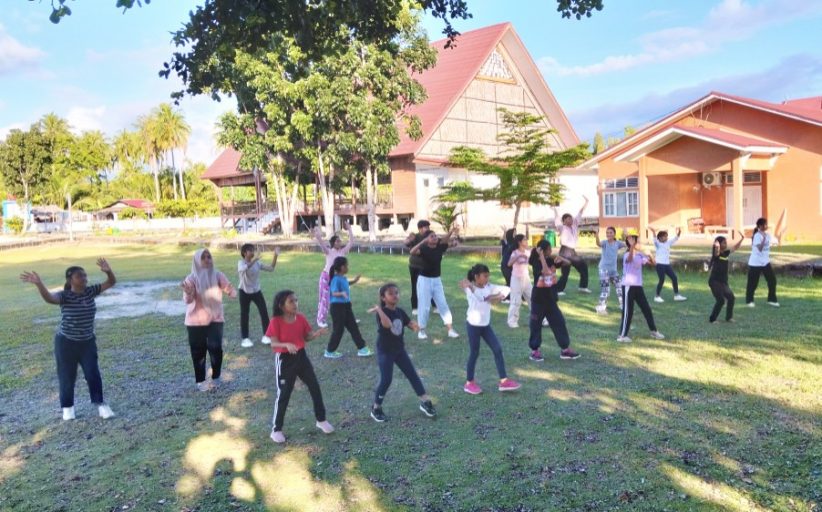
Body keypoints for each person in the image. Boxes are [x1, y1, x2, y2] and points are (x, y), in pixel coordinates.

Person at [20, 259, 117, 421]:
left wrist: (108, 271)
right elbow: (49, 298)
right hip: (66, 343)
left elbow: (111, 282)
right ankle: (68, 408)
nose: (84, 279)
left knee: (93, 373)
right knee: (67, 376)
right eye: (80, 276)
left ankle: (101, 405)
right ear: (70, 280)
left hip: (87, 342)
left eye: (85, 276)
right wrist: (39, 284)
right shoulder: (65, 296)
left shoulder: (90, 291)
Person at [266, 290, 334, 443]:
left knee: (315, 387)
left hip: (301, 357)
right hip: (285, 360)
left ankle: (321, 420)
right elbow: (273, 343)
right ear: (281, 305)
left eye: (296, 300)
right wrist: (286, 344)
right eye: (291, 301)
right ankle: (276, 430)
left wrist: (317, 334)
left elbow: (306, 336)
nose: (295, 303)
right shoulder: (276, 321)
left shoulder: (301, 318)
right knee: (284, 394)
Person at [367, 283, 436, 422]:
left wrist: (416, 326)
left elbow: (409, 323)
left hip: (399, 350)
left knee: (412, 375)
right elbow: (387, 324)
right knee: (386, 380)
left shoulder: (400, 311)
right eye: (391, 293)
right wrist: (379, 310)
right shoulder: (383, 313)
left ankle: (425, 401)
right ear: (383, 297)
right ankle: (376, 408)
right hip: (385, 351)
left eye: (396, 293)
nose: (395, 295)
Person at [460, 264, 521, 395]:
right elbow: (480, 297)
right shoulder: (470, 289)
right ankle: (469, 383)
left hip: (485, 326)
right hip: (473, 326)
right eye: (485, 276)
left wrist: (497, 297)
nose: (487, 279)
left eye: (488, 276)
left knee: (497, 349)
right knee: (474, 353)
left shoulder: (489, 287)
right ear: (476, 277)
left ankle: (504, 381)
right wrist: (493, 297)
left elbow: (506, 289)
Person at [181, 249, 237, 391]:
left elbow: (228, 288)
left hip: (215, 319)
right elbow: (188, 300)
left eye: (209, 257)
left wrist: (232, 292)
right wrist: (189, 293)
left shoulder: (218, 275)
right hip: (195, 321)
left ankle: (216, 378)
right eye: (203, 257)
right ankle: (200, 381)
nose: (207, 259)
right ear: (197, 261)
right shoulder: (191, 279)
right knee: (198, 351)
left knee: (215, 348)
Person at [527, 239, 580, 361]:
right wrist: (540, 257)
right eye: (549, 249)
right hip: (538, 300)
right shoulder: (536, 262)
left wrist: (559, 257)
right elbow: (545, 272)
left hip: (551, 299)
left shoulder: (550, 260)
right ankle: (534, 351)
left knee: (559, 322)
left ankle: (565, 350)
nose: (551, 250)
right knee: (535, 325)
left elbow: (567, 263)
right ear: (543, 250)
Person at [409, 228, 460, 340]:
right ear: (427, 239)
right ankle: (421, 331)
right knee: (424, 306)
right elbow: (412, 251)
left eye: (435, 236)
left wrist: (451, 232)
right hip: (424, 280)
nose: (435, 237)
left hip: (436, 280)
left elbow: (446, 241)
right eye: (432, 236)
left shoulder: (439, 247)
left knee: (443, 304)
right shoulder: (423, 248)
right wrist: (423, 241)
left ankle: (450, 330)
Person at [618, 234, 665, 342]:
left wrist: (650, 255)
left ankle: (653, 331)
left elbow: (654, 264)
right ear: (630, 244)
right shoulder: (626, 254)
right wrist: (631, 247)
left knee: (646, 309)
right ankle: (622, 336)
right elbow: (629, 259)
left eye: (637, 241)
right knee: (628, 311)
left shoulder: (640, 255)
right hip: (628, 286)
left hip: (638, 286)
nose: (637, 244)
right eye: (635, 242)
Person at [324, 256, 373, 358]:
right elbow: (334, 292)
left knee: (353, 327)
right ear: (342, 267)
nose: (348, 267)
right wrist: (342, 293)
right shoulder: (335, 279)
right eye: (347, 265)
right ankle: (329, 351)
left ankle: (362, 349)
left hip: (346, 306)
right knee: (339, 330)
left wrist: (354, 281)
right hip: (337, 308)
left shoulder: (342, 278)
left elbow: (346, 283)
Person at [313, 221, 355, 327]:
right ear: (333, 243)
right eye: (337, 241)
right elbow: (322, 244)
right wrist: (318, 236)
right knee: (325, 299)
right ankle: (320, 320)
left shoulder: (342, 252)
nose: (340, 242)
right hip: (326, 277)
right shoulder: (329, 251)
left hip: (337, 278)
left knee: (344, 297)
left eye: (340, 240)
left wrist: (349, 229)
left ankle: (348, 317)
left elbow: (351, 242)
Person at [237, 244, 279, 347]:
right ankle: (245, 338)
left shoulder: (257, 263)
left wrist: (275, 255)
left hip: (256, 291)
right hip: (244, 291)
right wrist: (255, 259)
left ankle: (267, 336)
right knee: (244, 314)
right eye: (250, 250)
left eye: (253, 250)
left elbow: (271, 268)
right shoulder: (241, 263)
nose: (253, 252)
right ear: (244, 253)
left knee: (264, 312)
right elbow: (244, 268)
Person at [552, 197, 591, 295]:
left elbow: (580, 212)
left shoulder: (574, 225)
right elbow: (557, 220)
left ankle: (583, 287)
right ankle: (558, 290)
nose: (571, 219)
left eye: (571, 218)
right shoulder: (562, 227)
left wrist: (586, 202)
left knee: (583, 266)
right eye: (569, 218)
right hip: (565, 251)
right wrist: (555, 210)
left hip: (572, 251)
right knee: (565, 272)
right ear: (564, 220)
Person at [746, 217, 784, 307]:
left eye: (766, 224)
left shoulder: (768, 235)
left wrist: (779, 237)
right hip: (755, 263)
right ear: (759, 226)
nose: (766, 226)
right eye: (764, 224)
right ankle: (749, 301)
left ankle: (771, 300)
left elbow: (776, 242)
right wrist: (763, 239)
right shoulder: (757, 236)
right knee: (753, 283)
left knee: (772, 280)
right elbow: (759, 249)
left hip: (765, 262)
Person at [708, 231, 744, 323]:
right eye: (724, 242)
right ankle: (713, 319)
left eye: (726, 242)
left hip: (723, 282)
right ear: (719, 244)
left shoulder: (726, 253)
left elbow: (735, 247)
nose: (726, 243)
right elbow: (716, 252)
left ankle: (729, 317)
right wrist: (716, 246)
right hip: (715, 281)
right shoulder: (717, 255)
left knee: (731, 298)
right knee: (720, 300)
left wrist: (742, 239)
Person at [404, 220, 436, 315]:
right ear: (420, 229)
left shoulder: (431, 236)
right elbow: (406, 243)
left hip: (427, 266)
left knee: (430, 285)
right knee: (415, 286)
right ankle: (415, 307)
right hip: (415, 266)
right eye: (426, 227)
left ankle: (435, 306)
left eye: (428, 227)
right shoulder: (415, 236)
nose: (427, 229)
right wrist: (409, 239)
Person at [649, 227, 687, 303]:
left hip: (667, 265)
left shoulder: (668, 243)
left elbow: (676, 238)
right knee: (662, 280)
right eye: (665, 236)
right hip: (660, 265)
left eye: (667, 236)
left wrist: (679, 232)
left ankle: (677, 295)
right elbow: (654, 239)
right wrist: (653, 232)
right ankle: (657, 296)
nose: (667, 237)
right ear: (660, 238)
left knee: (674, 278)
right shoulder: (658, 244)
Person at [594, 227, 625, 315]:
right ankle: (600, 308)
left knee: (620, 287)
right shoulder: (605, 243)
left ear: (614, 234)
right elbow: (598, 244)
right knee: (606, 289)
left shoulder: (618, 243)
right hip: (603, 269)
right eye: (607, 233)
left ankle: (623, 305)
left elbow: (627, 244)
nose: (608, 234)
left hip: (613, 271)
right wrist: (596, 234)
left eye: (610, 233)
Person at [506, 234, 532, 328]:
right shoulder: (515, 252)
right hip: (516, 279)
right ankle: (512, 321)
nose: (526, 241)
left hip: (526, 278)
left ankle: (540, 318)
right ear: (519, 242)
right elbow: (509, 264)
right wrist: (518, 256)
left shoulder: (528, 252)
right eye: (525, 240)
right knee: (516, 300)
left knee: (533, 298)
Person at [499, 227, 516, 303]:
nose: (515, 235)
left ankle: (504, 296)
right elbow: (503, 239)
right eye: (514, 234)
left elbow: (503, 239)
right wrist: (505, 232)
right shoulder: (511, 245)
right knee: (510, 282)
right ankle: (505, 297)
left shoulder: (510, 244)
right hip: (506, 267)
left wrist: (505, 232)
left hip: (506, 267)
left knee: (510, 282)